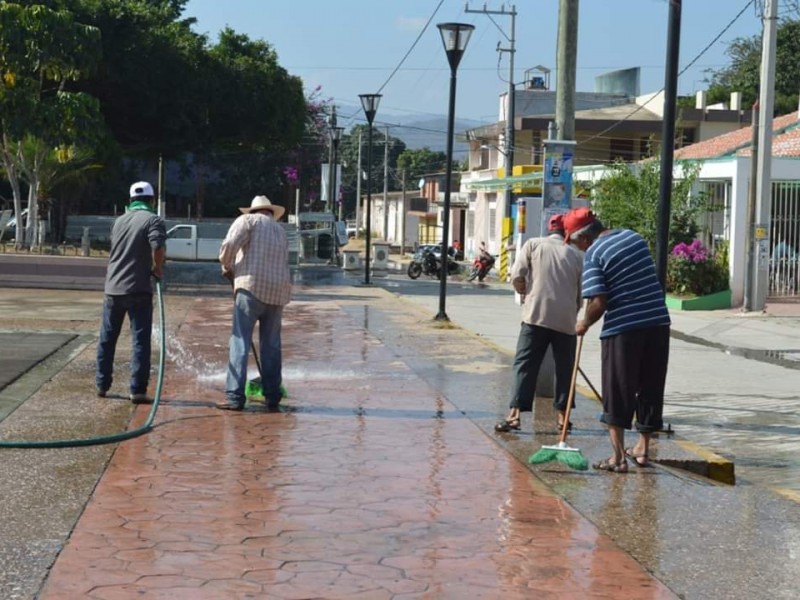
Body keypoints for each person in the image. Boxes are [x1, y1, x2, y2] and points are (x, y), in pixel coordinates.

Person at [564, 207, 671, 473]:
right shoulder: (634, 237)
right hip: (658, 321)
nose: (577, 249)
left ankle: (617, 458)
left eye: (575, 243)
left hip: (624, 329)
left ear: (584, 239)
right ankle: (643, 451)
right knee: (650, 387)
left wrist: (584, 322)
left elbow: (599, 302)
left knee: (618, 390)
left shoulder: (594, 254)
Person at [495, 214, 583, 433]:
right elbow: (580, 294)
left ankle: (514, 415)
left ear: (549, 228)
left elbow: (517, 275)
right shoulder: (576, 255)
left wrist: (524, 292)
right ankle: (563, 417)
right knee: (565, 369)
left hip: (535, 317)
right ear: (567, 232)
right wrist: (573, 313)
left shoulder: (533, 244)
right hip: (566, 321)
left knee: (525, 364)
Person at [217, 195, 291, 411]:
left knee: (240, 341)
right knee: (271, 345)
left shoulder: (247, 221)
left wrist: (226, 265)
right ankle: (272, 395)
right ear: (270, 212)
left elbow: (229, 246)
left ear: (253, 210)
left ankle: (234, 397)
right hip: (278, 293)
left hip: (251, 289)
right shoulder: (280, 231)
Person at [96, 181, 166, 404]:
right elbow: (158, 246)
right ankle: (137, 390)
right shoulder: (153, 219)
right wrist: (158, 270)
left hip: (113, 289)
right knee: (140, 341)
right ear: (152, 200)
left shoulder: (118, 221)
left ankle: (102, 384)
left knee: (107, 339)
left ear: (130, 200)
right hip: (138, 289)